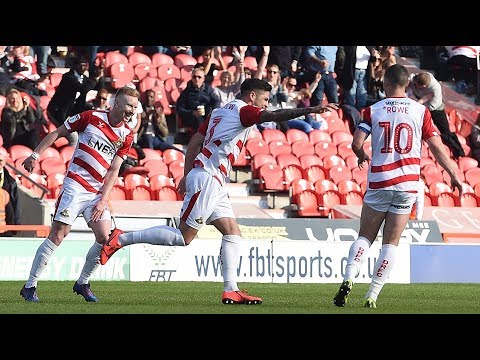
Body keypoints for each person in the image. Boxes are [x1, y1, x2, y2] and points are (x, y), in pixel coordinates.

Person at [100, 78, 338, 305]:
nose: (266, 104)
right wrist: (311, 109)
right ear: (252, 96)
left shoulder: (219, 112)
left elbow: (195, 142)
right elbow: (275, 115)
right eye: (265, 99)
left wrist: (186, 173)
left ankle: (231, 289)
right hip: (208, 180)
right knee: (184, 237)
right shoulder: (245, 110)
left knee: (232, 231)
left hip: (212, 178)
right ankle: (120, 238)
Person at [333, 64, 462, 309]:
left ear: (386, 82)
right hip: (406, 184)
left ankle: (349, 277)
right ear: (408, 84)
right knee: (391, 243)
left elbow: (356, 142)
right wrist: (453, 174)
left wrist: (361, 154)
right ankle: (372, 295)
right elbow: (436, 146)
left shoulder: (373, 110)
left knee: (365, 236)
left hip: (380, 180)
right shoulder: (420, 111)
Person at [19, 85, 139, 302]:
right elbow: (57, 133)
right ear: (117, 104)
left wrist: (104, 199)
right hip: (75, 186)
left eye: (135, 107)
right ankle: (30, 286)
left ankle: (82, 282)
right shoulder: (91, 117)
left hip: (95, 194)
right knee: (58, 235)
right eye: (129, 105)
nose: (132, 110)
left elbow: (114, 169)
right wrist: (35, 156)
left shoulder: (127, 135)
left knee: (105, 238)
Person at [407, 71, 465, 159]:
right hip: (419, 105)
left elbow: (432, 106)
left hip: (435, 110)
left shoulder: (435, 88)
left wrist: (420, 103)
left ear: (425, 86)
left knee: (445, 133)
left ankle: (458, 152)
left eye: (421, 88)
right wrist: (420, 100)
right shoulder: (413, 79)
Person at [0, 153, 21, 237]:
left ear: (5, 162)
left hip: (6, 224)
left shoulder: (11, 182)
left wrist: (16, 224)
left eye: (0, 161)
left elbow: (15, 203)